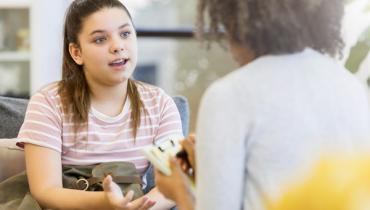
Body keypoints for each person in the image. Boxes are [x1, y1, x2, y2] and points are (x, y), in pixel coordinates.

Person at [154, 0, 370, 210]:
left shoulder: (229, 95)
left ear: (235, 19)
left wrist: (179, 191)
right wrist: (210, 175)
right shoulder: (350, 86)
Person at [16, 0, 183, 209]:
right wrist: (105, 203)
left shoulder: (160, 104)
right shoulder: (48, 102)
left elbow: (176, 184)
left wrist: (136, 208)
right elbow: (45, 190)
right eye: (100, 39)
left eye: (125, 34)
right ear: (76, 53)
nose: (118, 46)